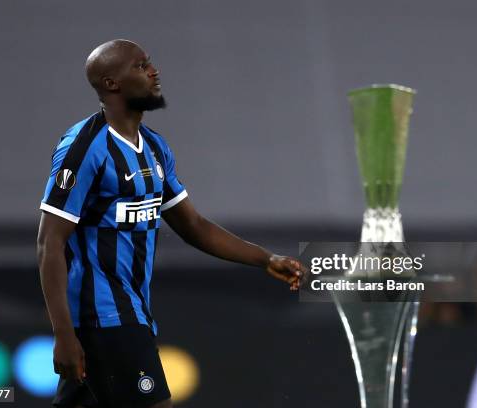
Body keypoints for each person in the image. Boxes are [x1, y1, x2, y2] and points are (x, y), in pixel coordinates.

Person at [36, 39, 305, 408]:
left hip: (134, 313)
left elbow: (192, 225)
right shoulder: (84, 148)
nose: (153, 71)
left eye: (150, 62)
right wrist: (63, 335)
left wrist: (264, 258)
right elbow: (49, 243)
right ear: (112, 83)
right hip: (105, 316)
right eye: (140, 65)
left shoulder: (155, 148)